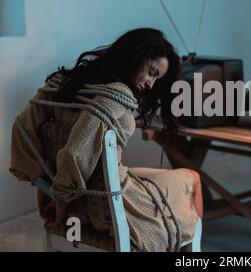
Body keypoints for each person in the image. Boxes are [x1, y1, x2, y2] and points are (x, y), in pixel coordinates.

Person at [10, 28, 202, 252]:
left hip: (84, 200)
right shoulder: (117, 95)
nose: (150, 83)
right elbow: (76, 152)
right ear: (135, 56)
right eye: (151, 72)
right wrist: (60, 200)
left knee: (146, 176)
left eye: (156, 78)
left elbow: (22, 130)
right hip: (108, 209)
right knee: (193, 179)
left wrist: (43, 185)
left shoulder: (62, 83)